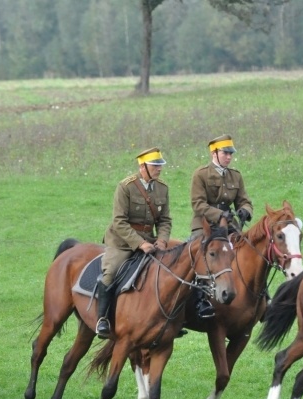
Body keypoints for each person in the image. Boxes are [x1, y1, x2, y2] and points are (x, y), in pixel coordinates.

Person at [96, 147, 172, 339]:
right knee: (111, 272)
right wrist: (140, 244)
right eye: (155, 165)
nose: (159, 169)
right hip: (122, 242)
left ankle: (168, 319)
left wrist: (162, 240)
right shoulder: (126, 187)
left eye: (160, 165)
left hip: (151, 241)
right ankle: (102, 319)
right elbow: (119, 221)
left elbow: (164, 220)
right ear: (142, 166)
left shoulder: (162, 188)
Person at [189, 134, 253, 318]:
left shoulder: (235, 176)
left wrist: (245, 211)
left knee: (249, 250)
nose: (229, 157)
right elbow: (198, 204)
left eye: (230, 154)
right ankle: (200, 300)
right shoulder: (201, 174)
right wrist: (219, 215)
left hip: (229, 225)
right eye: (225, 153)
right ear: (214, 153)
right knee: (198, 253)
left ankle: (260, 295)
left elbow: (244, 201)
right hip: (205, 224)